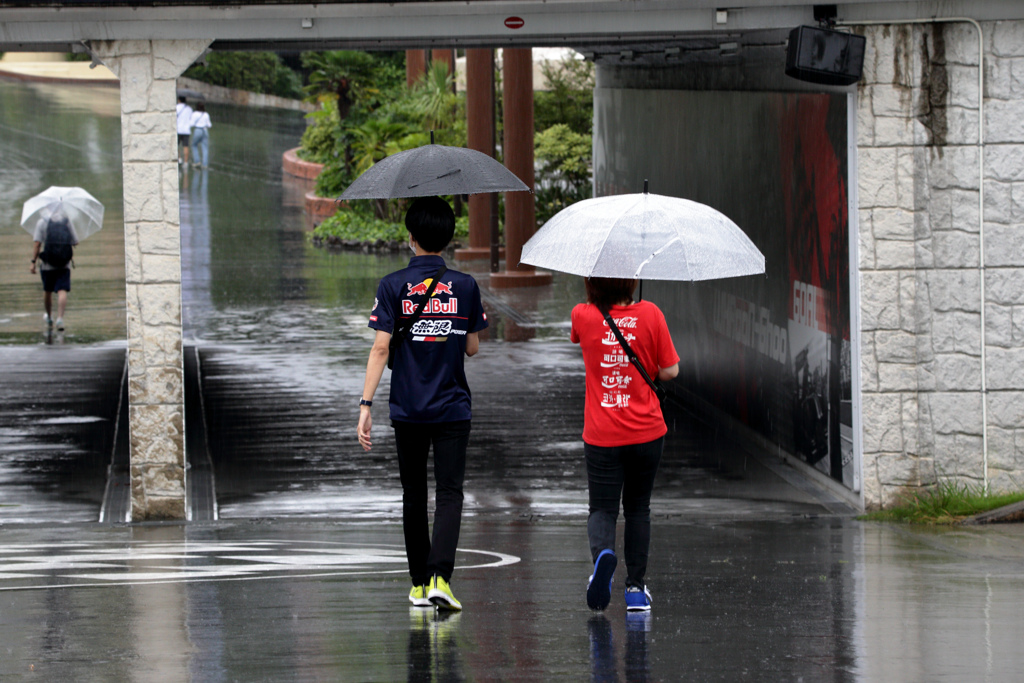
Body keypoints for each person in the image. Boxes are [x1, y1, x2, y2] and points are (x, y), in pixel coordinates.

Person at [357, 196, 488, 612]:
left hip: (408, 407)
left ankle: (418, 584)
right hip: (452, 406)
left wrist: (365, 404)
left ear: (410, 238)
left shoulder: (393, 285)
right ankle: (440, 579)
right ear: (449, 238)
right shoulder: (465, 286)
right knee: (449, 493)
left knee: (413, 494)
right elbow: (472, 348)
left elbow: (380, 349)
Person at [570, 277, 679, 612]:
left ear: (592, 281)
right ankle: (635, 589)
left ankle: (603, 555)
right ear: (632, 280)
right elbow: (671, 370)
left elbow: (579, 339)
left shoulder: (582, 315)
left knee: (602, 508)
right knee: (637, 509)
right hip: (647, 432)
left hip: (603, 434)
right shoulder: (652, 314)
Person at [29, 210, 79, 331]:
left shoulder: (41, 222)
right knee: (62, 291)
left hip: (47, 265)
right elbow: (75, 241)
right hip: (64, 264)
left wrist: (33, 262)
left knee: (48, 290)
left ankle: (50, 317)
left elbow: (37, 244)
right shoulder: (66, 222)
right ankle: (60, 319)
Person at [189, 101, 212, 169]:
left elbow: (191, 124)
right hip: (205, 130)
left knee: (194, 145)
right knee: (205, 148)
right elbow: (209, 125)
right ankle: (205, 164)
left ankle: (197, 161)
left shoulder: (194, 114)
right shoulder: (206, 114)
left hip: (198, 130)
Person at [176, 96, 193, 165]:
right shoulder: (189, 109)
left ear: (179, 100)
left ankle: (179, 158)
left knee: (176, 145)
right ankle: (185, 162)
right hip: (186, 130)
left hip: (178, 129)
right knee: (186, 146)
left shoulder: (176, 107)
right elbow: (191, 119)